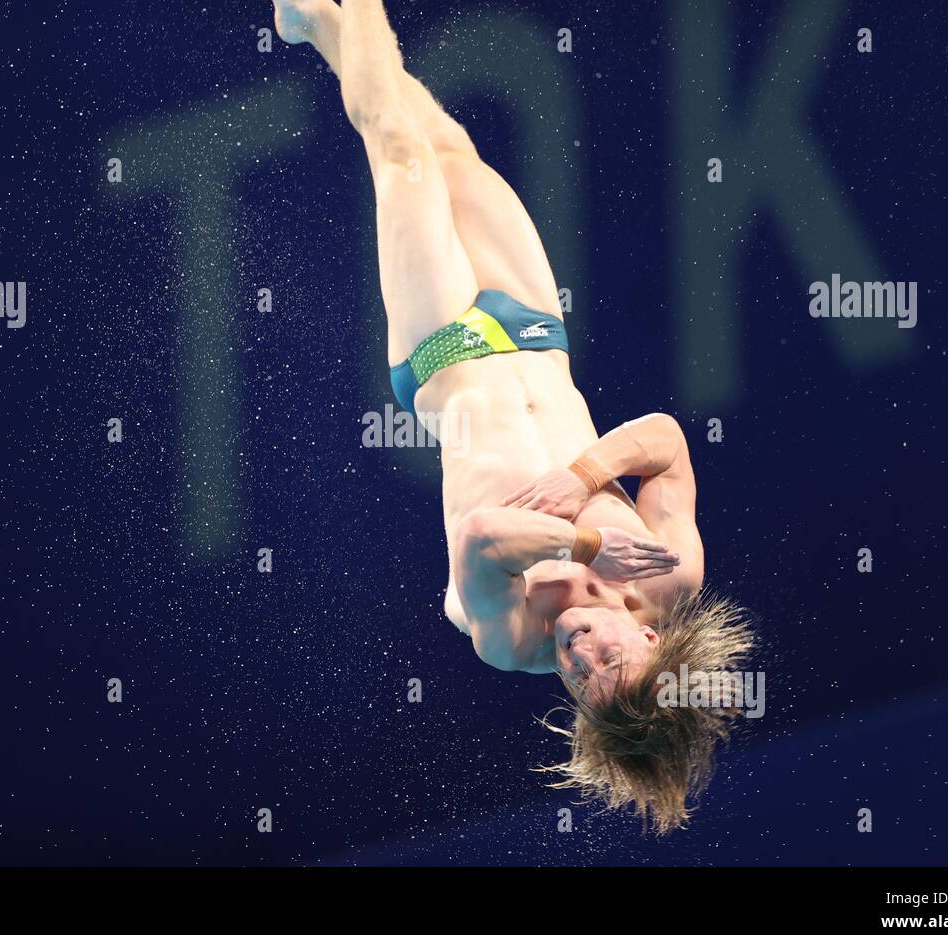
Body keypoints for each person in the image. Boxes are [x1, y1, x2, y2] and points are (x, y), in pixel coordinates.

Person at [274, 0, 753, 834]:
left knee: (401, 156)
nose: (575, 650)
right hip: (535, 332)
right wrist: (582, 477)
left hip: (442, 355)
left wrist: (587, 534)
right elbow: (669, 444)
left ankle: (336, 13)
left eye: (576, 676)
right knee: (450, 146)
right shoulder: (672, 576)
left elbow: (480, 541)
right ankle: (316, 21)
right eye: (603, 656)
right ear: (652, 653)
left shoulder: (511, 641)